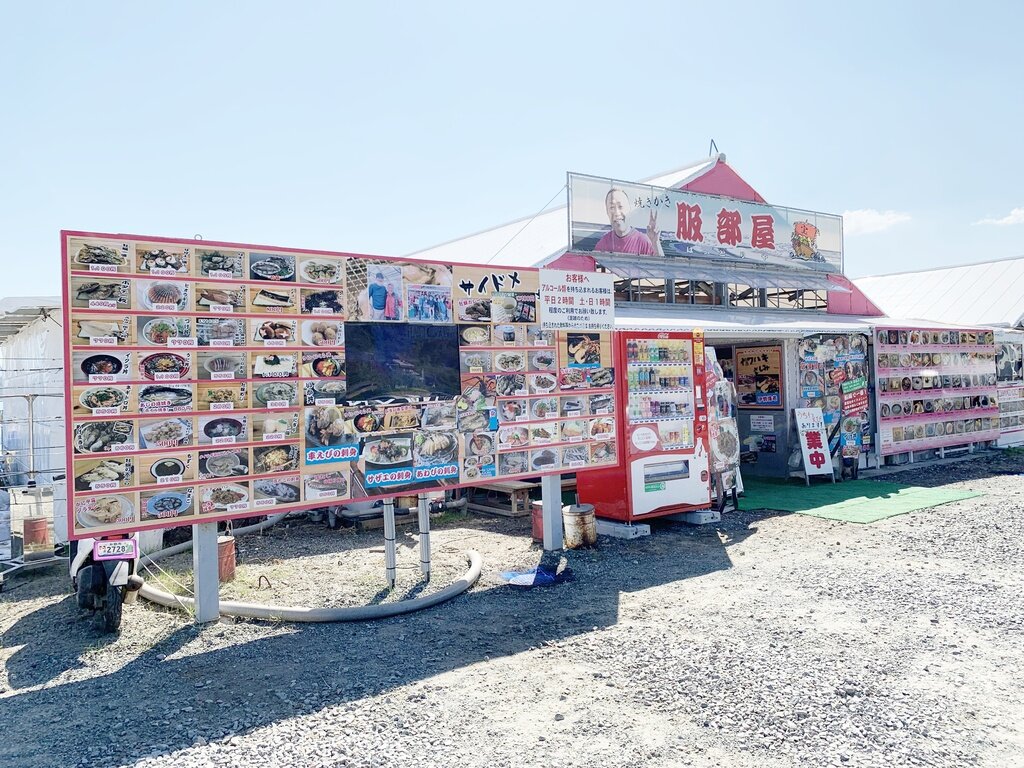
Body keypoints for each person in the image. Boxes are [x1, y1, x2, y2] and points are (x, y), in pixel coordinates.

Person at [593, 187, 664, 256]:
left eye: (620, 207)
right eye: (612, 207)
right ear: (607, 212)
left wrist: (655, 243)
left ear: (629, 210)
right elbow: (593, 263)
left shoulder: (642, 241)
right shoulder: (605, 241)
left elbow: (661, 266)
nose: (617, 212)